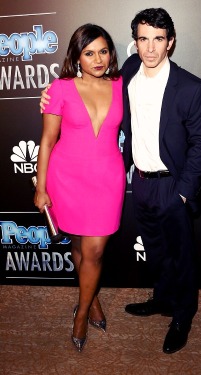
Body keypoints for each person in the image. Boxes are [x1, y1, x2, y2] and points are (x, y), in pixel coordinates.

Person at [40, 8, 201, 354]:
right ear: (135, 44)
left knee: (179, 255)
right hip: (139, 182)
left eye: (158, 39)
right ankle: (161, 299)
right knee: (156, 251)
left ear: (170, 42)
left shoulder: (190, 87)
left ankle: (182, 316)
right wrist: (49, 97)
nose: (150, 48)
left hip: (170, 185)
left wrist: (183, 193)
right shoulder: (128, 74)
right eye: (143, 39)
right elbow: (62, 108)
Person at [35, 23, 126, 353]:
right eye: (89, 53)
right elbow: (46, 142)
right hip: (67, 179)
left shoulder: (121, 84)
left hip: (107, 179)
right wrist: (41, 188)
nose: (98, 59)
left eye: (103, 51)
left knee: (95, 250)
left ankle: (82, 312)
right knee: (79, 244)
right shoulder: (59, 88)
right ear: (77, 57)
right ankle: (94, 301)